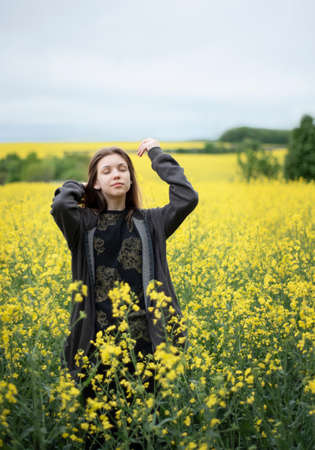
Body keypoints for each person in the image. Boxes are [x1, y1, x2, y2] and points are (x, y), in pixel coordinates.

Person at [50, 137, 198, 444]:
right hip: (94, 347)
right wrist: (80, 185)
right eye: (106, 171)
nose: (116, 174)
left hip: (144, 348)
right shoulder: (82, 225)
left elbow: (186, 198)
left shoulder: (151, 222)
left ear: (131, 179)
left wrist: (157, 155)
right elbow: (62, 204)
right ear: (96, 184)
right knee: (97, 434)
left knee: (144, 433)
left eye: (122, 169)